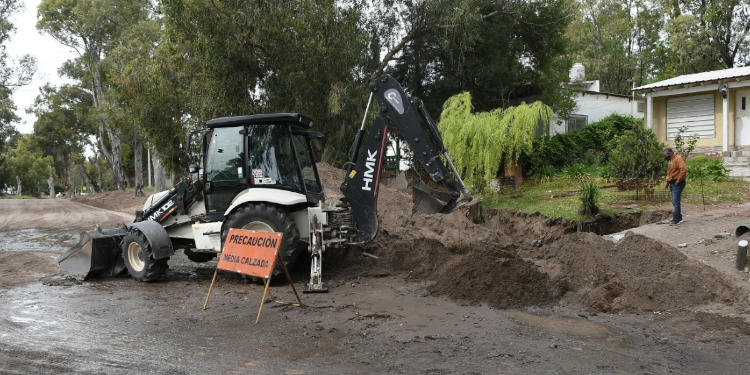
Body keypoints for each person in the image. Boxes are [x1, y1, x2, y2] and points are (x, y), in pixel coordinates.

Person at [663, 148, 687, 225]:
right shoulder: (671, 160)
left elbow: (683, 169)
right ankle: (679, 218)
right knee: (674, 201)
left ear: (670, 153)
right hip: (672, 183)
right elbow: (670, 173)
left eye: (666, 156)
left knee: (675, 201)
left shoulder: (678, 158)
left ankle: (676, 220)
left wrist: (678, 180)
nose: (665, 157)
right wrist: (667, 183)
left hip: (677, 183)